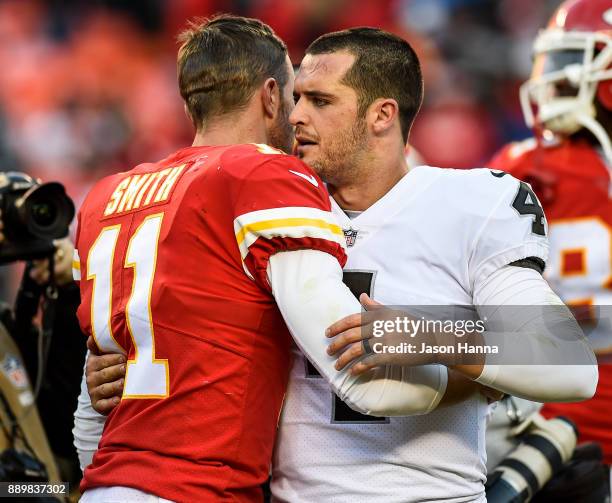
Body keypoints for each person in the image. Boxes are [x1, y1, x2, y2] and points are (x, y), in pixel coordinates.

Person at [83, 25, 598, 502]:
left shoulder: (471, 203)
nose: (294, 115)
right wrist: (125, 362)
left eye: (320, 100)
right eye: (296, 96)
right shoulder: (255, 200)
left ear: (382, 114)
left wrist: (430, 338)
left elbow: (563, 359)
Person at [488, 0, 612, 485]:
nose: (554, 79)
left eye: (574, 61)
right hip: (554, 429)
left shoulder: (530, 168)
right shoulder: (531, 169)